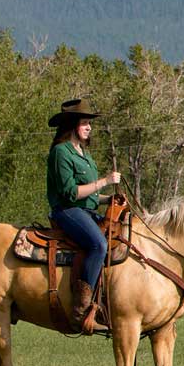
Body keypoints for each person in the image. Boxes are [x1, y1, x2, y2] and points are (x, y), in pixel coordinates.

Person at [45, 99, 122, 334]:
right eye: (85, 123)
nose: (89, 127)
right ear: (72, 125)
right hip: (67, 211)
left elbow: (88, 195)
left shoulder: (84, 154)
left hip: (85, 210)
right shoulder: (61, 152)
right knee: (98, 245)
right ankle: (81, 309)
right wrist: (105, 181)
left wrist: (107, 199)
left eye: (90, 123)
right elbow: (70, 193)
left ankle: (107, 303)